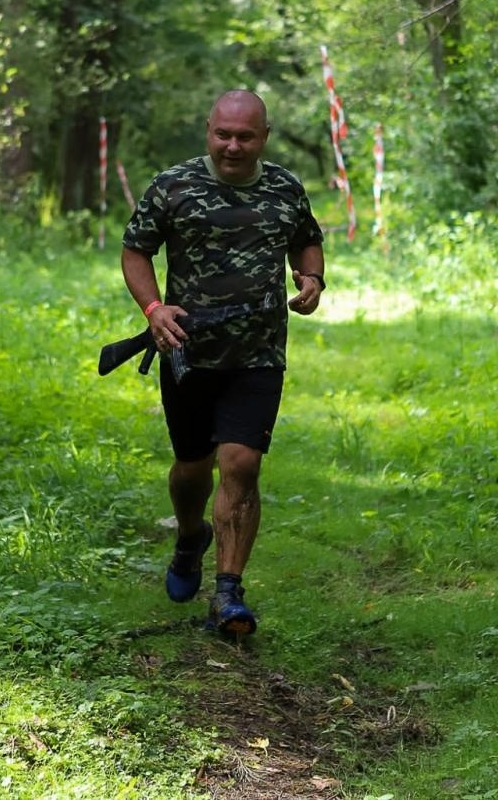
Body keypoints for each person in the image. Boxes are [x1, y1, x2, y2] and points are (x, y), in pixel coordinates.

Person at [120, 89, 325, 635]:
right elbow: (135, 249)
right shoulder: (173, 185)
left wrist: (312, 278)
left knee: (241, 463)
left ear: (264, 137)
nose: (233, 146)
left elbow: (306, 240)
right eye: (223, 134)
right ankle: (190, 536)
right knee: (192, 468)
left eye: (245, 136)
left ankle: (228, 594)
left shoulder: (284, 188)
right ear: (208, 130)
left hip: (258, 353)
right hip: (187, 350)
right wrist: (154, 308)